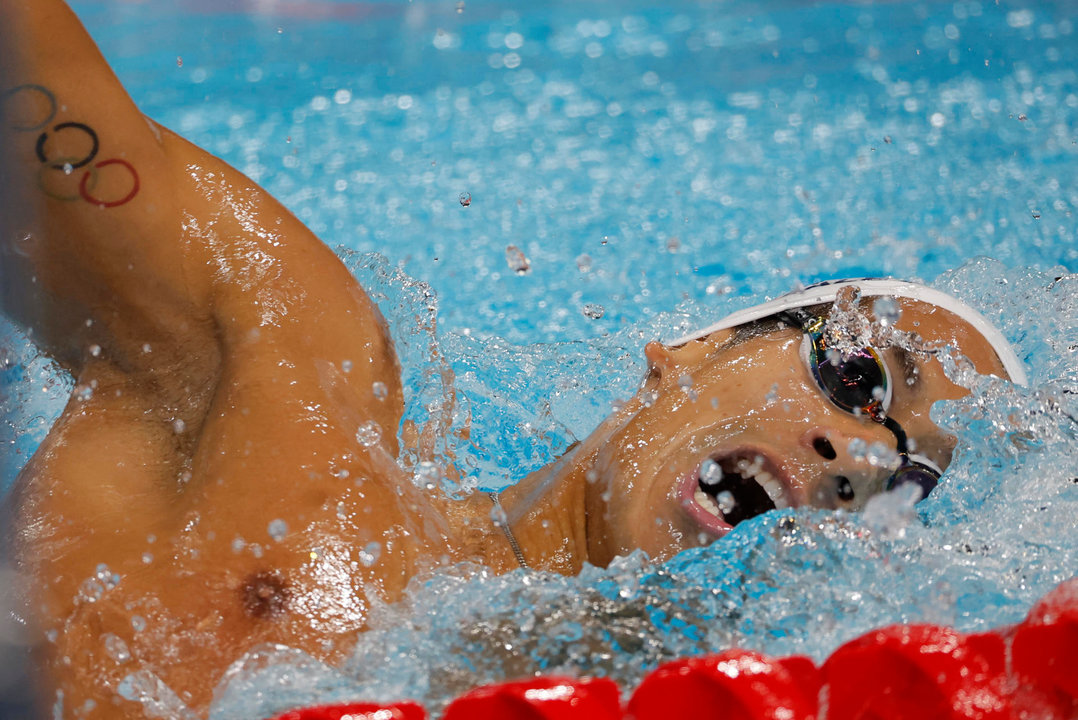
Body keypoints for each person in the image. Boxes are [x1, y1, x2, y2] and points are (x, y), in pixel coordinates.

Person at [0, 1, 1026, 718]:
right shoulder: (289, 373)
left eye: (906, 485)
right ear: (697, 353)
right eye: (859, 380)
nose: (854, 454)